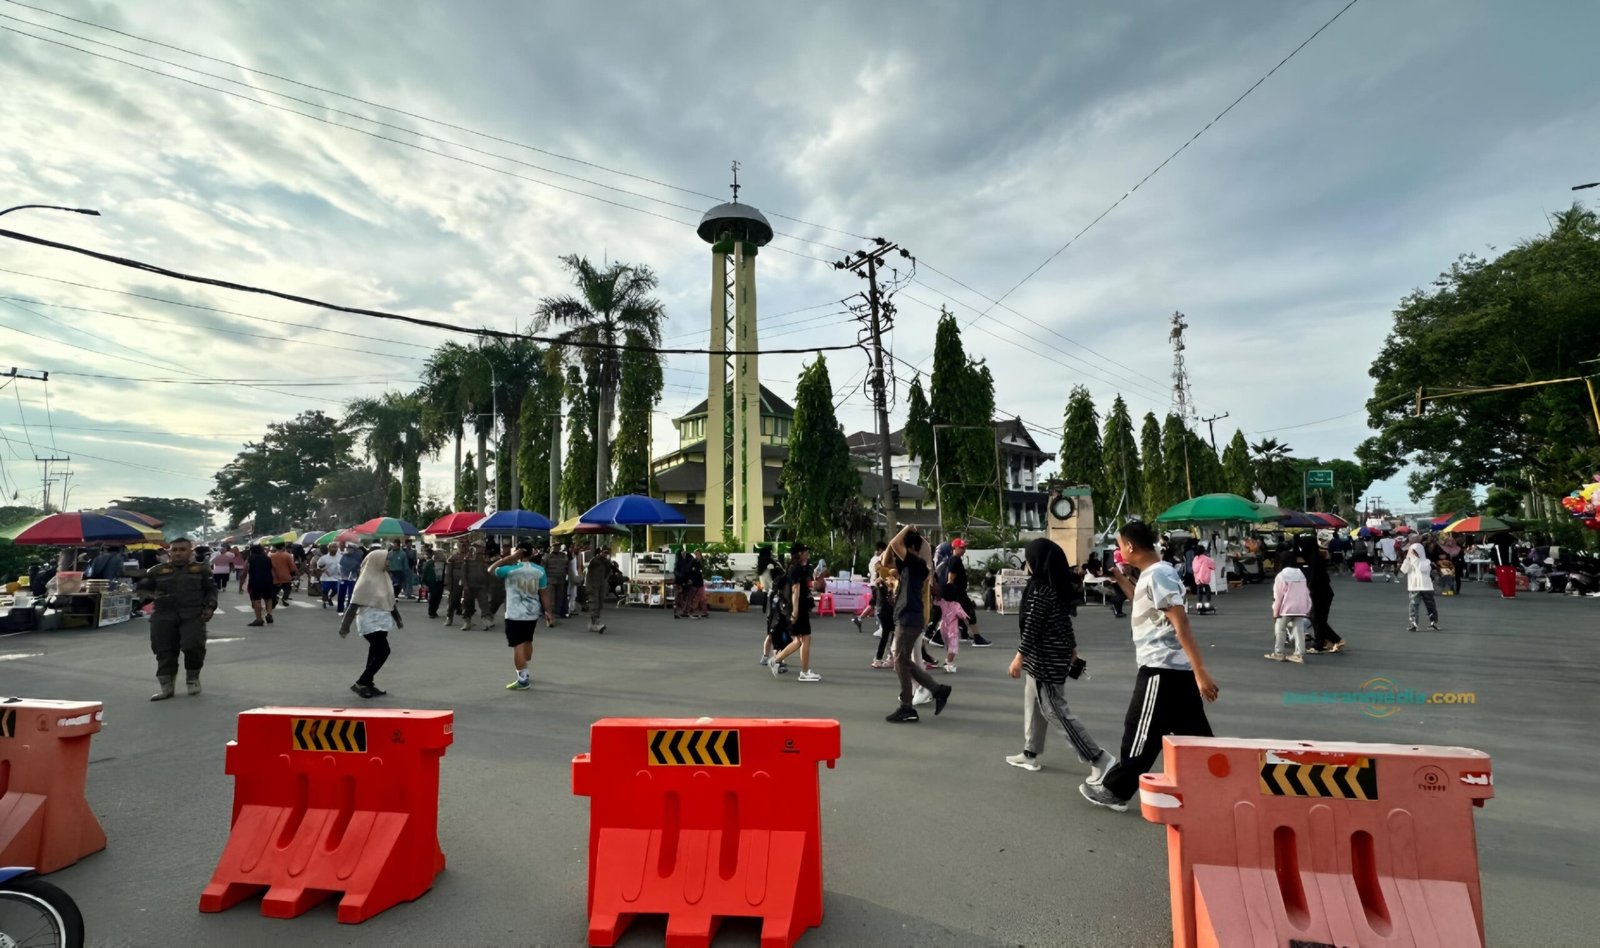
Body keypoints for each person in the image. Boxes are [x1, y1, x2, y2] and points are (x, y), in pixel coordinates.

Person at [1081, 521, 1218, 812]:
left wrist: (1200, 671)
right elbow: (1144, 603)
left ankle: (1116, 790)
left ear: (1130, 546)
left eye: (1119, 545)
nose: (1118, 551)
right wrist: (1118, 578)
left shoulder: (1159, 575)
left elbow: (1181, 624)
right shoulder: (1153, 574)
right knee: (1193, 736)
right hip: (1171, 669)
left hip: (1161, 667)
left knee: (1139, 730)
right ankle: (1217, 782)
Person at [1005, 538, 1115, 779]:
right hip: (1045, 659)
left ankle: (1098, 758)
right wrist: (1073, 651)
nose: (1027, 563)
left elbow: (1033, 627)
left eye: (1029, 558)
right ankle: (1030, 752)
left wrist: (1018, 657)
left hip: (1045, 661)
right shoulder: (1053, 586)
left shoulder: (1041, 591)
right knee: (1033, 703)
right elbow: (1065, 622)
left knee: (1055, 711)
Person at [137, 537, 217, 700]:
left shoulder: (201, 570)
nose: (178, 553)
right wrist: (151, 595)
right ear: (169, 552)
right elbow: (142, 592)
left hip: (192, 614)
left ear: (190, 552)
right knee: (164, 649)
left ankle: (193, 678)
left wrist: (210, 607)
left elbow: (211, 590)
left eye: (182, 549)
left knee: (193, 645)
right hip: (163, 615)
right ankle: (167, 687)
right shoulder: (156, 571)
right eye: (174, 550)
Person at [882, 526, 950, 721]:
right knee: (902, 660)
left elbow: (895, 544)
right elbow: (887, 559)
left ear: (911, 547)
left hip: (909, 617)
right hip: (905, 616)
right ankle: (936, 690)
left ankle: (908, 706)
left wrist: (906, 528)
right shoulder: (908, 565)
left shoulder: (917, 564)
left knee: (900, 661)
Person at [490, 541, 556, 690]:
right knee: (527, 640)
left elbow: (491, 569)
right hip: (532, 613)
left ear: (518, 552)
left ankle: (522, 679)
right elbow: (544, 592)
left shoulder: (509, 569)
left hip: (514, 614)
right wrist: (549, 612)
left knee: (517, 645)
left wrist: (509, 558)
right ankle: (525, 664)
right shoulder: (539, 570)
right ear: (532, 553)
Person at [339, 548, 401, 698]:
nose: (389, 563)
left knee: (375, 651)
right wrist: (345, 626)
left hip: (383, 620)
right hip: (369, 620)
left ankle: (368, 684)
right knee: (384, 651)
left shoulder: (384, 577)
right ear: (377, 561)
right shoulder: (366, 580)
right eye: (387, 560)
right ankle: (361, 682)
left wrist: (397, 618)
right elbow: (353, 604)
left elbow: (390, 601)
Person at [770, 542, 821, 681]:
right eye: (805, 551)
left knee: (800, 640)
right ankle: (802, 671)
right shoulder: (797, 569)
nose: (807, 554)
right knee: (804, 639)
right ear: (799, 554)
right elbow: (795, 591)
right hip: (798, 609)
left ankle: (777, 660)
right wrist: (796, 611)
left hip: (796, 608)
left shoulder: (793, 568)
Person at [1268, 547, 1311, 664]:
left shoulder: (1281, 576)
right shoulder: (1301, 575)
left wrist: (1275, 612)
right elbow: (1306, 593)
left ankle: (1279, 653)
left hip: (1285, 609)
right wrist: (1307, 607)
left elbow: (1278, 596)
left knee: (1280, 629)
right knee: (1299, 630)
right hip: (1300, 608)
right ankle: (1299, 654)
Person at [1303, 537, 1344, 654]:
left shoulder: (1314, 559)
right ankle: (1322, 642)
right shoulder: (1317, 557)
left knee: (1317, 619)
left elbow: (1314, 578)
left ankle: (1333, 640)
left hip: (1320, 593)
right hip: (1324, 593)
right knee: (1319, 620)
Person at [1400, 542, 1440, 631]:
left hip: (1426, 587)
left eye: (1414, 551)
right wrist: (1407, 559)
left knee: (1430, 605)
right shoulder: (1410, 561)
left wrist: (1413, 558)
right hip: (1414, 587)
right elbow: (1403, 571)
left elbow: (1421, 568)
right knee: (1413, 605)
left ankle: (1433, 623)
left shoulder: (1426, 562)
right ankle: (1413, 623)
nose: (1412, 553)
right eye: (1411, 551)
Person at [460, 541, 493, 630]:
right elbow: (463, 573)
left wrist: (488, 586)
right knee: (467, 605)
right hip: (469, 586)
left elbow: (490, 573)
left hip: (482, 587)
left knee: (484, 605)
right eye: (476, 547)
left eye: (480, 547)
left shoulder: (486, 559)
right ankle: (467, 622)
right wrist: (465, 585)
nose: (478, 549)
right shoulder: (467, 558)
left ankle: (485, 622)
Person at [245, 545, 277, 626]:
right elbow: (272, 570)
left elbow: (245, 570)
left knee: (256, 599)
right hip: (267, 580)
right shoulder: (268, 559)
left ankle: (259, 619)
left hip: (255, 581)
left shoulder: (250, 559)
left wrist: (242, 582)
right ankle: (269, 614)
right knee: (268, 598)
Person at [584, 545, 611, 633]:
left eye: (607, 553)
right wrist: (588, 586)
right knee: (593, 604)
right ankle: (596, 622)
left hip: (601, 585)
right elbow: (587, 574)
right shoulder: (594, 561)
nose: (605, 554)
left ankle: (593, 623)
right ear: (600, 552)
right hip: (593, 585)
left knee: (599, 604)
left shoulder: (606, 562)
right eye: (604, 552)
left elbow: (608, 573)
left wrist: (605, 583)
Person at [545, 542, 571, 619]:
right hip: (550, 579)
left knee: (560, 597)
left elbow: (567, 567)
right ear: (551, 547)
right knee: (551, 597)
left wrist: (568, 576)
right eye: (555, 546)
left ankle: (557, 612)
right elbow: (543, 568)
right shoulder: (547, 556)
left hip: (561, 579)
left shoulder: (564, 556)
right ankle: (550, 612)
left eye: (558, 546)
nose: (557, 547)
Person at [1488, 530, 1518, 599]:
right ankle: (1511, 593)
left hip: (1500, 563)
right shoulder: (1511, 540)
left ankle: (1506, 593)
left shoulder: (1495, 540)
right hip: (1511, 563)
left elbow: (1488, 544)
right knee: (1511, 578)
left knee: (1503, 579)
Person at [336, 542, 364, 613]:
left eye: (350, 549)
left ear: (354, 550)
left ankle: (349, 609)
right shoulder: (343, 556)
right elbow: (339, 566)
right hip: (343, 578)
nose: (348, 550)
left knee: (351, 594)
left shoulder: (358, 557)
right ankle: (340, 609)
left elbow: (360, 567)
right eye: (347, 548)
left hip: (353, 578)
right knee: (341, 594)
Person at [1191, 545, 1216, 615]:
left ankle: (1199, 604)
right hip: (1205, 577)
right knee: (1207, 589)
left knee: (1199, 591)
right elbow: (1213, 566)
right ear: (1203, 551)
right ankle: (1207, 603)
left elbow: (1194, 569)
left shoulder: (1195, 559)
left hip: (1198, 577)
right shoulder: (1207, 559)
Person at [269, 543, 296, 608]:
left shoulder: (270, 556)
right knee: (287, 588)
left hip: (275, 576)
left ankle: (275, 598)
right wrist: (293, 574)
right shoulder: (287, 555)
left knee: (275, 589)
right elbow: (292, 566)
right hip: (286, 576)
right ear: (283, 547)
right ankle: (284, 598)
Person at [316, 545, 341, 609]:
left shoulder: (340, 557)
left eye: (335, 547)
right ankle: (324, 602)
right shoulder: (324, 558)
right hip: (326, 578)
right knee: (325, 589)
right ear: (329, 549)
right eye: (332, 547)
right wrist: (322, 570)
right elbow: (318, 566)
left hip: (336, 577)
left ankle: (330, 597)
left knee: (336, 590)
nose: (334, 549)